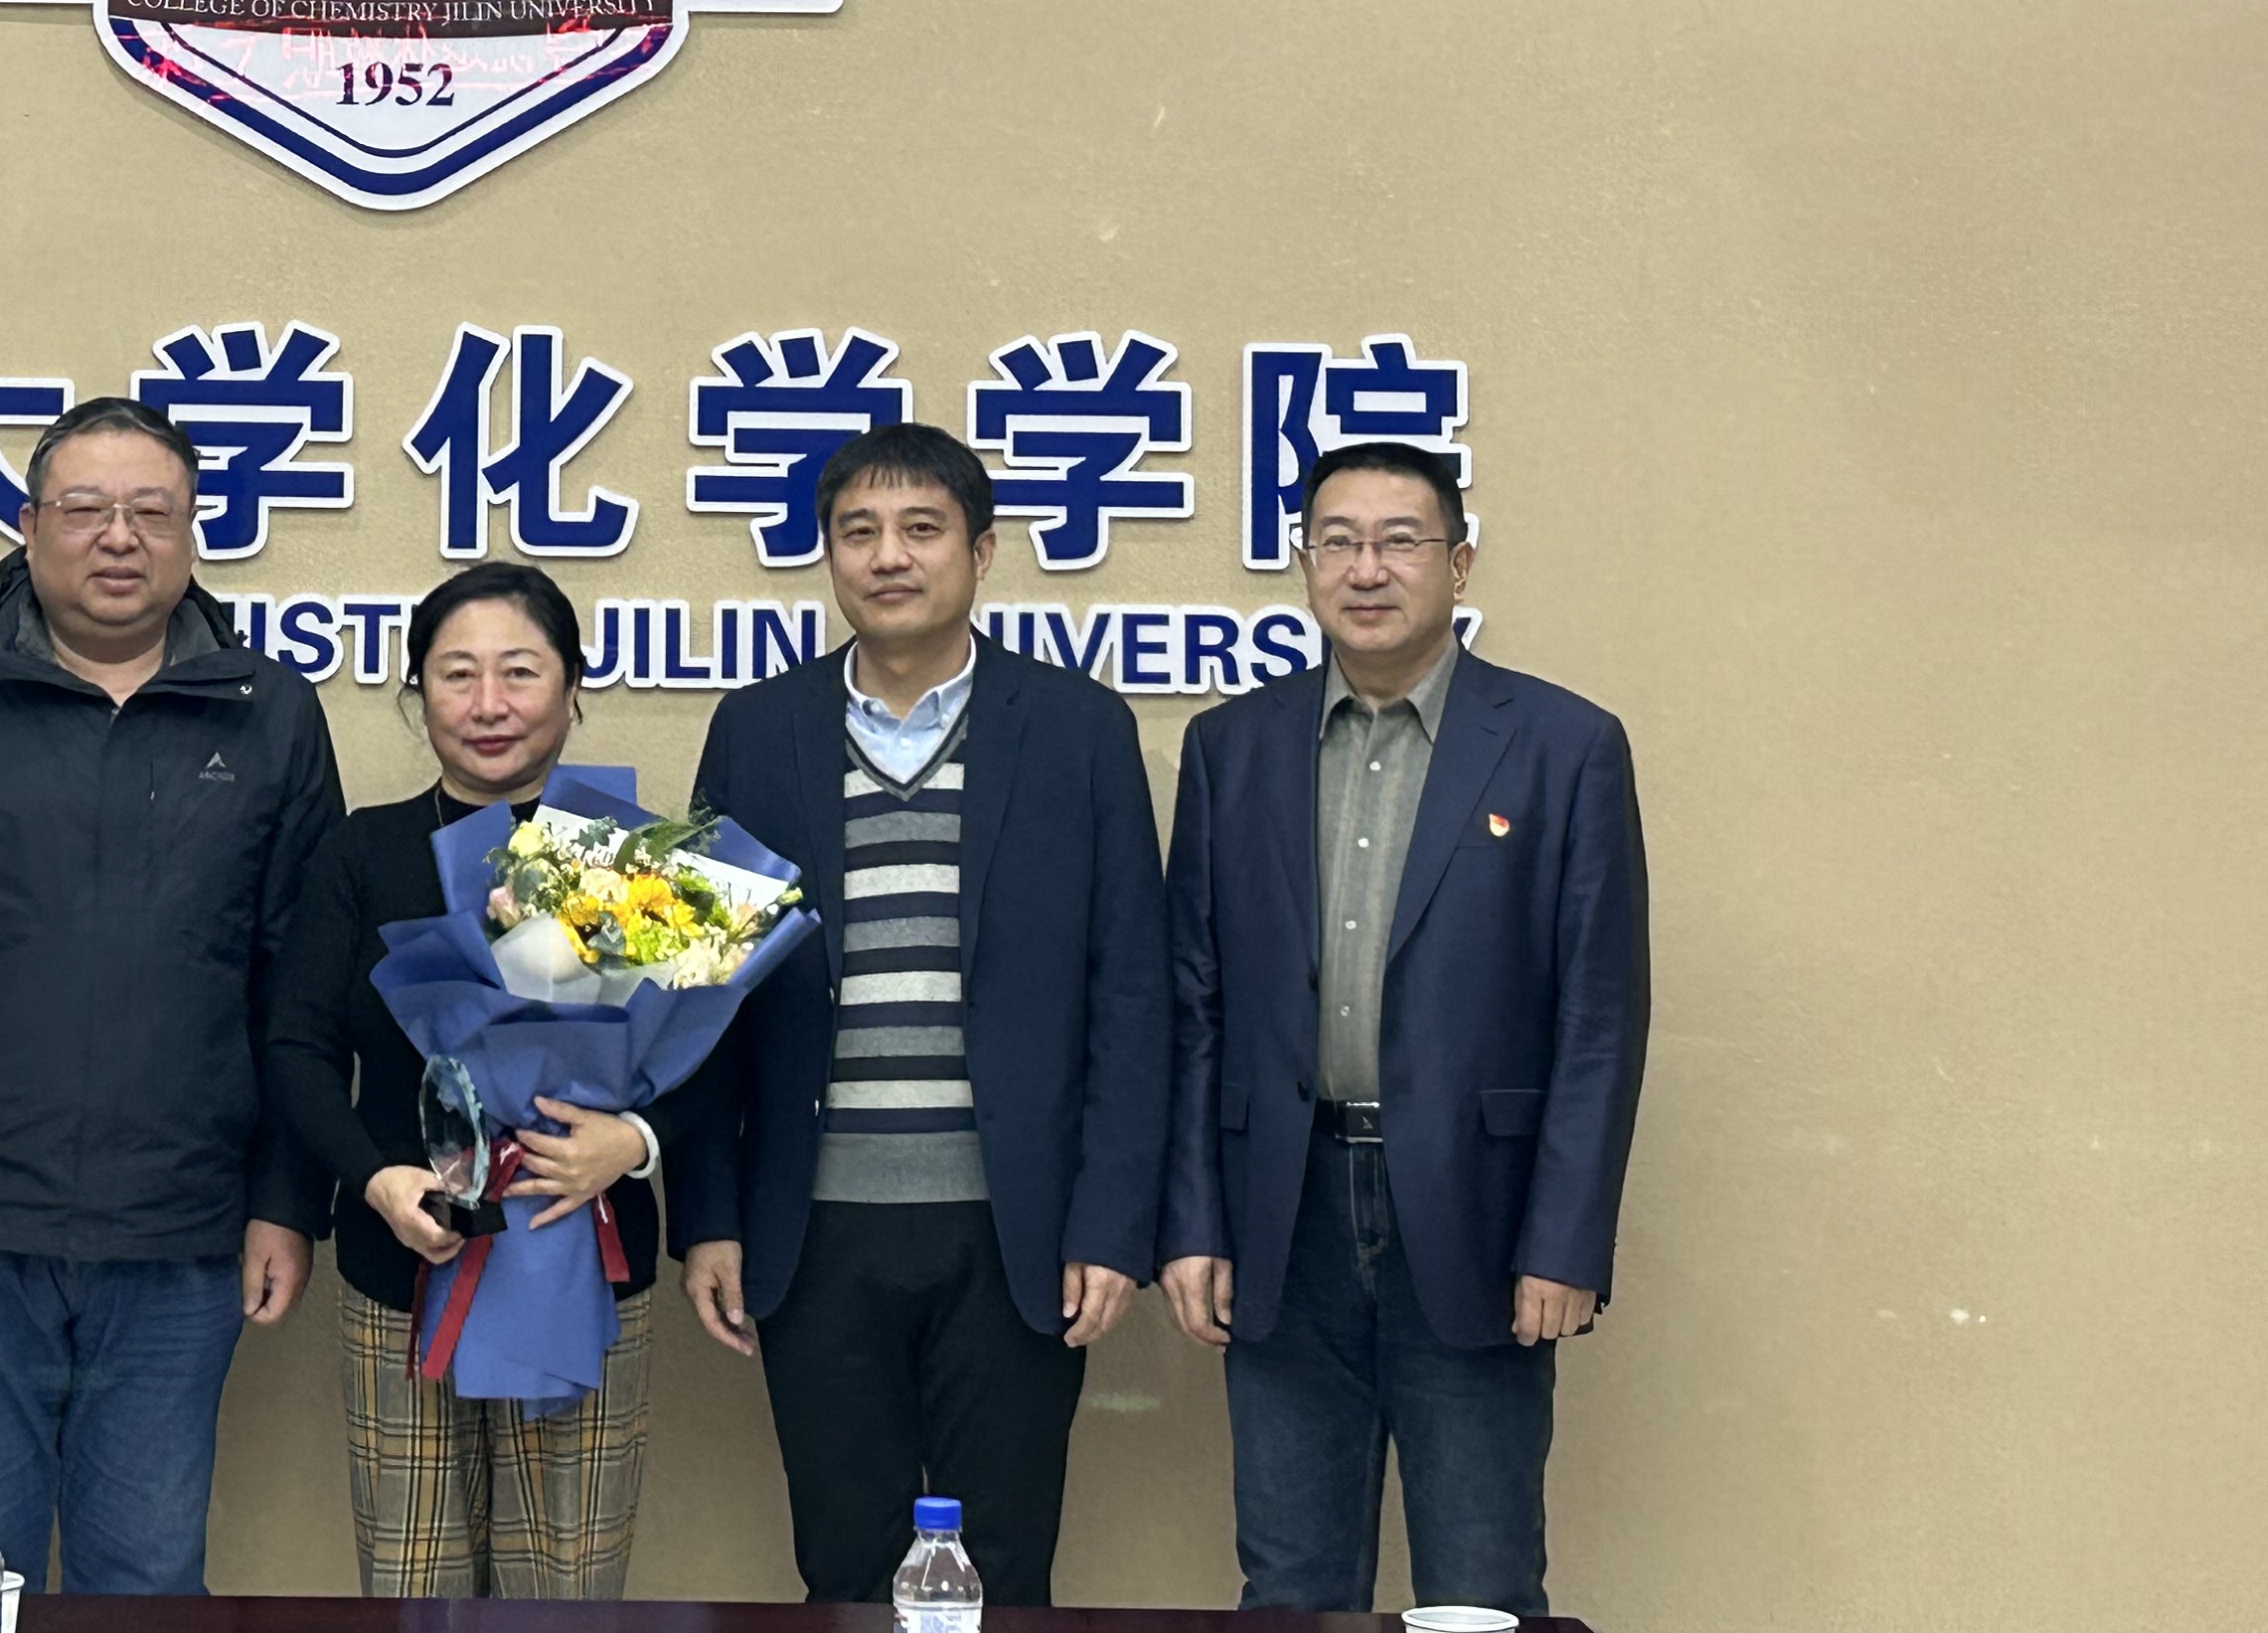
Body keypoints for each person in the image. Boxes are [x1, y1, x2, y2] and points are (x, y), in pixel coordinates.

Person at [0, 398, 343, 1595]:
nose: (119, 537)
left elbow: (300, 994)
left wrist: (286, 1203)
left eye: (152, 511)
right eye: (86, 508)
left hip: (183, 1233)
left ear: (193, 532)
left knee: (147, 1576)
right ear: (29, 524)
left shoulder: (270, 712)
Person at [664, 420, 1169, 1606]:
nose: (888, 556)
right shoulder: (758, 731)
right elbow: (700, 1000)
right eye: (859, 532)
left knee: (1006, 1568)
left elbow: (1131, 998)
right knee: (843, 1567)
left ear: (982, 552)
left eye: (921, 529)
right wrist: (710, 1217)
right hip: (815, 1227)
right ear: (830, 556)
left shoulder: (1080, 730)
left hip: (1014, 1232)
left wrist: (1111, 1223)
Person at [1159, 441, 1650, 1620]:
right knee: (1290, 1585)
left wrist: (1566, 1238)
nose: (1365, 569)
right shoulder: (1232, 748)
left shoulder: (1564, 746)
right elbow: (1195, 1004)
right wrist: (1193, 1220)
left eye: (1399, 542)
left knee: (1481, 1589)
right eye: (1337, 542)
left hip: (1479, 1218)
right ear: (1305, 563)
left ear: (1459, 564)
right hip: (1285, 1214)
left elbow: (1599, 1015)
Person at [263, 563, 666, 1597]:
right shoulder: (364, 850)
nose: (489, 704)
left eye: (520, 672)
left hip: (585, 1267)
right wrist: (374, 1178)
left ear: (573, 688)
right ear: (419, 694)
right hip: (402, 1267)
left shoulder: (625, 858)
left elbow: (705, 1060)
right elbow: (298, 1044)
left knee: (567, 1593)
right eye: (457, 674)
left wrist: (634, 1141)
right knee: (414, 1588)